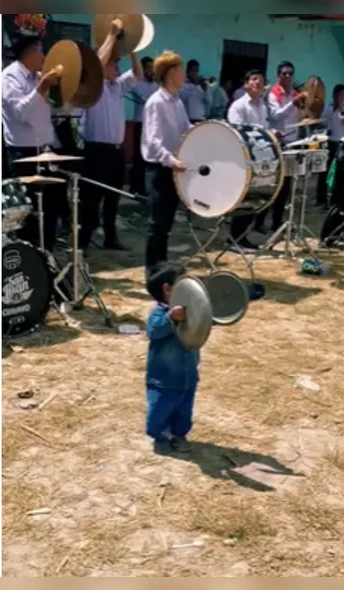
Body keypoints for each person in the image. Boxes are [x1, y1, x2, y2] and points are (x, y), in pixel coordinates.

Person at [80, 24, 143, 252]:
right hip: (96, 150)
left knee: (112, 198)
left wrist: (132, 49)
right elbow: (95, 65)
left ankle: (110, 238)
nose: (117, 67)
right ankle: (84, 240)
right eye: (113, 63)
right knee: (91, 199)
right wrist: (112, 35)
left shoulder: (117, 87)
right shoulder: (92, 86)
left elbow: (138, 74)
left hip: (115, 151)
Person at [2, 35, 64, 251]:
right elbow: (22, 114)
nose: (44, 57)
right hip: (23, 155)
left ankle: (47, 252)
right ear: (29, 53)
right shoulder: (10, 78)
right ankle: (28, 256)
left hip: (45, 151)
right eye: (40, 51)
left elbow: (55, 110)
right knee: (28, 212)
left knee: (51, 207)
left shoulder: (38, 77)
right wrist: (42, 87)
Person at [142, 50, 191, 274]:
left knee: (167, 223)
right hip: (160, 169)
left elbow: (185, 129)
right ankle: (153, 269)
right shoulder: (156, 102)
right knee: (157, 224)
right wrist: (172, 161)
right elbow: (153, 142)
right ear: (170, 73)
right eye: (180, 70)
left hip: (173, 167)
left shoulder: (177, 101)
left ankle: (162, 266)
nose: (184, 74)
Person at [145, 262, 199, 454]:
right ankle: (159, 436)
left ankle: (179, 435)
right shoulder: (159, 314)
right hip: (163, 379)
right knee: (160, 409)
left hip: (188, 375)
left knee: (184, 411)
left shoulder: (192, 311)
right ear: (168, 290)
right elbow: (153, 331)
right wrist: (170, 318)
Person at [258, 60, 308, 236]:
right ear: (278, 76)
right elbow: (276, 116)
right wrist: (293, 103)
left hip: (291, 143)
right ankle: (259, 222)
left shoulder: (295, 94)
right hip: (277, 143)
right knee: (273, 185)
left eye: (290, 73)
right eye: (284, 73)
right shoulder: (274, 93)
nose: (287, 76)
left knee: (286, 187)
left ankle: (277, 222)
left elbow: (301, 118)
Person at [225, 69, 272, 250]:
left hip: (258, 158)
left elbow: (264, 130)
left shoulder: (262, 107)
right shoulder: (239, 106)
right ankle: (233, 239)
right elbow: (237, 131)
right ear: (246, 84)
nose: (257, 83)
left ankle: (243, 237)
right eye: (253, 79)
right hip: (242, 158)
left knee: (253, 198)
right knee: (242, 199)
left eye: (261, 80)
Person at [128, 56, 158, 196]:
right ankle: (135, 187)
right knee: (138, 157)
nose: (151, 71)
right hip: (141, 123)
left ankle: (144, 188)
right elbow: (138, 94)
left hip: (152, 125)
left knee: (147, 157)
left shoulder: (155, 85)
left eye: (153, 68)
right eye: (148, 68)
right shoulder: (138, 83)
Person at [319, 83, 344, 207]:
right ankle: (322, 198)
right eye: (338, 95)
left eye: (342, 95)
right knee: (325, 171)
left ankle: (335, 199)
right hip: (330, 142)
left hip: (342, 144)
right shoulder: (328, 108)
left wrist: (341, 110)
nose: (340, 98)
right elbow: (321, 120)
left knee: (338, 173)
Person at [179, 59, 206, 124]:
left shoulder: (200, 85)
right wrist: (194, 85)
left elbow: (209, 101)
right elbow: (182, 97)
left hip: (201, 118)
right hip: (188, 119)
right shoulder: (182, 84)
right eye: (192, 70)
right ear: (187, 71)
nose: (195, 73)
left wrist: (206, 90)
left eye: (196, 70)